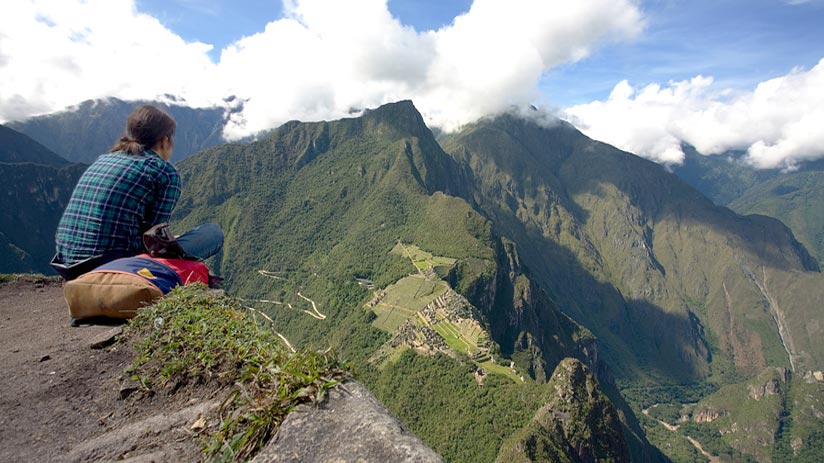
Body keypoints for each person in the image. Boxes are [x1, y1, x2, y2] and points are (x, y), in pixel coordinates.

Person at [51, 105, 223, 281]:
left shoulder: (104, 160)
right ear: (165, 140)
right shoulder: (164, 173)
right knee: (212, 233)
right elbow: (155, 241)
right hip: (113, 268)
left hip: (68, 266)